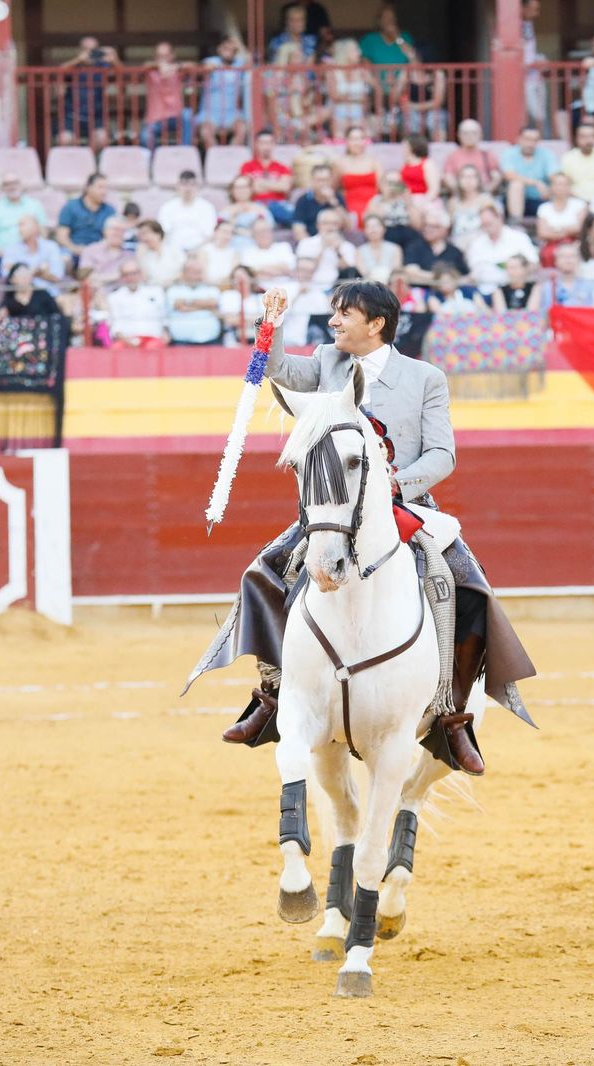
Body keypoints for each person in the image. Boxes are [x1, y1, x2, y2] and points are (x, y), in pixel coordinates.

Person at [194, 280, 535, 777]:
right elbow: (279, 369)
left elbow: (443, 455)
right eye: (333, 313)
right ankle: (272, 694)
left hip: (406, 506)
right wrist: (273, 322)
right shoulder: (327, 361)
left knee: (465, 586)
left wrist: (394, 481)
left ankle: (450, 712)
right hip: (335, 511)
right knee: (264, 572)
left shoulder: (425, 378)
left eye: (344, 314)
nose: (334, 322)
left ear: (376, 324)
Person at [58, 36, 117, 153]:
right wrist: (78, 60)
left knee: (102, 139)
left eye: (93, 50)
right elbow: (59, 71)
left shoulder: (103, 66)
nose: (90, 53)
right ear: (79, 51)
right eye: (86, 50)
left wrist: (114, 59)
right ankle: (77, 164)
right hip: (72, 116)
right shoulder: (74, 66)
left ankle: (91, 164)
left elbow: (122, 73)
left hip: (97, 117)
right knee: (64, 140)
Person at [465, 205, 538, 291]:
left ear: (500, 218)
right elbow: (473, 271)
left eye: (489, 223)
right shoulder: (477, 243)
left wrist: (516, 269)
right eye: (484, 225)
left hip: (512, 289)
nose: (487, 227)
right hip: (484, 290)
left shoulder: (519, 238)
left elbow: (533, 264)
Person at [195, 36, 250, 148]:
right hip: (210, 112)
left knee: (242, 130)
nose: (228, 51)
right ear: (219, 49)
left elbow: (251, 61)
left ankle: (230, 158)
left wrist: (238, 44)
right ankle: (217, 160)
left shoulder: (239, 64)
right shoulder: (211, 61)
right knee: (206, 133)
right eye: (225, 48)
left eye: (231, 49)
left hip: (231, 113)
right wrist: (208, 68)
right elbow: (202, 70)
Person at [0, 174, 49, 258]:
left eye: (15, 183)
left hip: (32, 254)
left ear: (21, 185)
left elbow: (43, 232)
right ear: (2, 188)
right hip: (4, 255)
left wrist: (39, 251)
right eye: (7, 184)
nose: (11, 187)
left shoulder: (35, 205)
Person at [500, 126, 559, 222]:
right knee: (516, 184)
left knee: (559, 185)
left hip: (541, 199)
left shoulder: (546, 154)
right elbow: (509, 174)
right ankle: (516, 224)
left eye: (534, 140)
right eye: (527, 139)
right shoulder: (509, 153)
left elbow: (554, 176)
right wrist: (536, 183)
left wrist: (552, 188)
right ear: (519, 139)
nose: (530, 144)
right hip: (512, 201)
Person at [106, 260, 169, 347]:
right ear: (121, 277)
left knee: (153, 347)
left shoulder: (156, 292)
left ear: (140, 274)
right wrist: (126, 339)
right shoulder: (114, 297)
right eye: (126, 275)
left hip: (152, 336)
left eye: (133, 273)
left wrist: (165, 331)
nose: (130, 278)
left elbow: (164, 316)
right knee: (116, 348)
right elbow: (114, 323)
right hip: (126, 338)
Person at [141, 41, 190, 149]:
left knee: (188, 115)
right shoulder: (151, 71)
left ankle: (185, 153)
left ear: (172, 56)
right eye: (159, 56)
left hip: (175, 116)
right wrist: (159, 66)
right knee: (145, 137)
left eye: (165, 56)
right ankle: (152, 163)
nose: (162, 58)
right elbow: (145, 65)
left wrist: (177, 66)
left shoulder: (178, 71)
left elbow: (193, 66)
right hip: (155, 119)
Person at [401, 210, 470, 287]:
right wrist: (442, 278)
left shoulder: (455, 252)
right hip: (420, 291)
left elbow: (464, 277)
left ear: (445, 230)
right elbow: (410, 272)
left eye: (433, 226)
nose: (427, 229)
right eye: (426, 225)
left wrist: (424, 275)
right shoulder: (415, 246)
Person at [56, 173, 116, 259]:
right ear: (88, 187)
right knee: (64, 258)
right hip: (73, 250)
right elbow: (61, 236)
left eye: (106, 188)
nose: (104, 192)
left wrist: (92, 251)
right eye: (100, 187)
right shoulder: (71, 207)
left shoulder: (109, 211)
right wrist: (75, 249)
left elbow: (111, 237)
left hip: (99, 251)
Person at [0, 215, 67, 292]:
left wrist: (21, 271)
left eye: (22, 225)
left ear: (35, 228)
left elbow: (57, 276)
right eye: (19, 226)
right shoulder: (11, 248)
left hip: (50, 295)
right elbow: (6, 273)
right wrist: (39, 272)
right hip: (22, 296)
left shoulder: (51, 247)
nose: (19, 229)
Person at [240, 130, 295, 225]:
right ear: (256, 145)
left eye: (269, 143)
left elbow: (284, 187)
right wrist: (275, 185)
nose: (266, 146)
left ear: (274, 145)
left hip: (279, 205)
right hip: (256, 205)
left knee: (297, 219)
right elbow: (249, 188)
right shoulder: (247, 166)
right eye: (263, 143)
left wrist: (260, 183)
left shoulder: (282, 167)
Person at [295, 207, 358, 285]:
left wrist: (338, 251)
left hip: (338, 288)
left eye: (334, 224)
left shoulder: (347, 246)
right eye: (326, 223)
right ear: (318, 225)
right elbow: (303, 272)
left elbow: (349, 273)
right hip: (312, 287)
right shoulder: (306, 243)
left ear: (339, 226)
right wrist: (323, 247)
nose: (330, 227)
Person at [334, 128, 383, 225]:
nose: (357, 143)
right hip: (350, 205)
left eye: (361, 139)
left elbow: (382, 186)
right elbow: (334, 187)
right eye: (353, 139)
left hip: (373, 204)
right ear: (347, 142)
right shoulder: (340, 163)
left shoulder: (374, 161)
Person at [445, 165, 499, 251]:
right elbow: (449, 226)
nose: (468, 180)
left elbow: (493, 225)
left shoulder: (486, 200)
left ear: (479, 180)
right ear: (458, 180)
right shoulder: (453, 202)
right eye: (464, 176)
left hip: (481, 243)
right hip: (458, 244)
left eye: (472, 177)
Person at [560, 122, 594, 203]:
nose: (589, 140)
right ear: (577, 138)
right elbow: (562, 185)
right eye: (584, 137)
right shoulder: (568, 158)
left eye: (592, 136)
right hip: (575, 202)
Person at [291, 164, 347, 242]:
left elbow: (347, 226)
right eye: (320, 180)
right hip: (312, 243)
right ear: (312, 181)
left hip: (336, 242)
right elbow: (298, 229)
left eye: (327, 180)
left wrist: (333, 201)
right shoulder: (303, 200)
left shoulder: (337, 197)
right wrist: (311, 246)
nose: (324, 184)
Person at [443, 119, 501, 192]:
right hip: (461, 196)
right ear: (459, 135)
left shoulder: (488, 155)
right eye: (465, 133)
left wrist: (486, 192)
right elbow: (448, 177)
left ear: (480, 135)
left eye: (474, 133)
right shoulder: (452, 156)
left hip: (484, 194)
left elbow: (496, 177)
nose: (469, 136)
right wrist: (461, 194)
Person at [536, 172, 587, 250]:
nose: (561, 188)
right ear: (551, 187)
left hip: (575, 245)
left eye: (565, 184)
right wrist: (568, 231)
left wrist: (555, 229)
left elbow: (581, 228)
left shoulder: (579, 205)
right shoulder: (544, 208)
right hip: (551, 246)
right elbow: (542, 233)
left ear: (570, 187)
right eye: (558, 184)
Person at [240, 218, 297, 285]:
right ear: (253, 235)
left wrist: (260, 269)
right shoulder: (247, 252)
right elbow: (249, 273)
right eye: (259, 232)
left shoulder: (284, 247)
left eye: (266, 230)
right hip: (259, 289)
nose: (264, 234)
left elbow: (290, 269)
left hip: (286, 286)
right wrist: (279, 269)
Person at [135, 219, 186, 288]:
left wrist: (170, 281)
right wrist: (140, 258)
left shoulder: (174, 249)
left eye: (145, 233)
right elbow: (145, 279)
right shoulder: (143, 255)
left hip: (176, 287)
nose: (144, 238)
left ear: (158, 233)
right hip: (154, 290)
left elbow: (185, 270)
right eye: (140, 235)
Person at [355, 215, 403, 285]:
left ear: (384, 229)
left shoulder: (395, 249)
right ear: (364, 231)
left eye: (376, 226)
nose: (373, 229)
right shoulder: (359, 251)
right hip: (369, 288)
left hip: (390, 288)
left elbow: (395, 271)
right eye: (369, 226)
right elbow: (364, 273)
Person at [550, 241, 594, 307]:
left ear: (579, 260)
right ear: (555, 261)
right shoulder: (546, 286)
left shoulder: (590, 286)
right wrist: (538, 317)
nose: (568, 260)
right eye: (563, 256)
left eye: (572, 256)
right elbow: (531, 313)